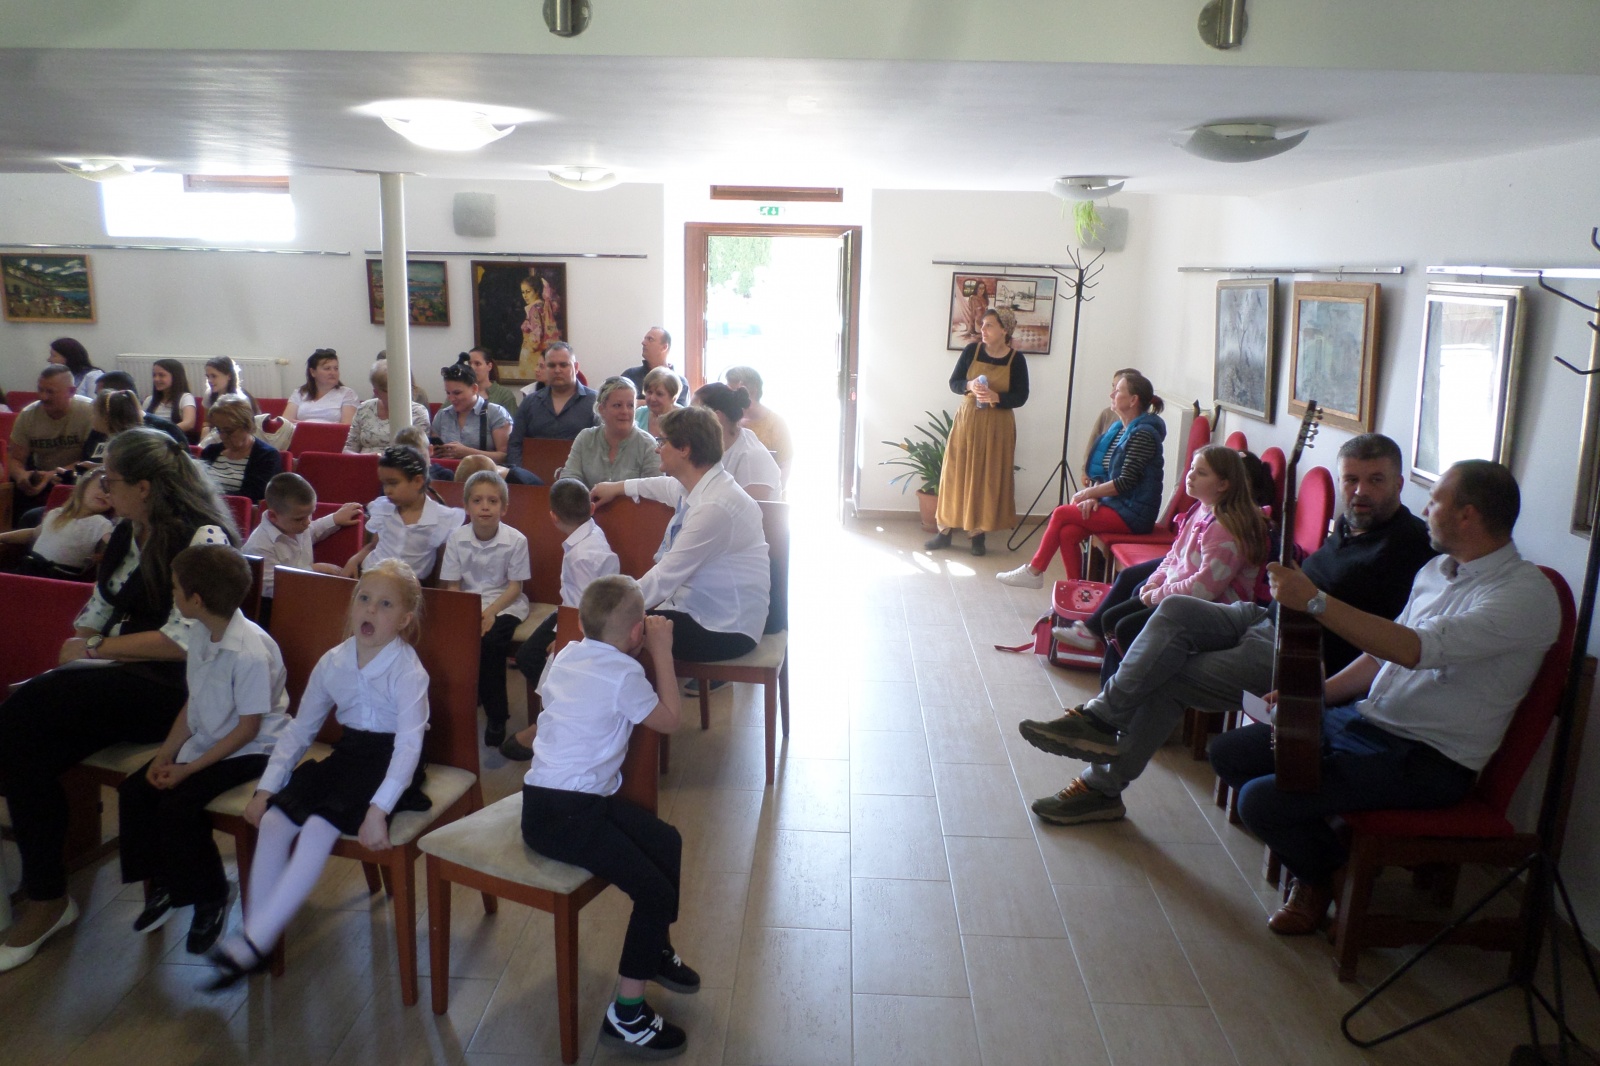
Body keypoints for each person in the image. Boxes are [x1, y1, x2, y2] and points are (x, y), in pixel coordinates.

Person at [1016, 433, 1438, 827]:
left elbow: (1392, 640)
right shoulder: (1349, 526)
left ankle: (1100, 787)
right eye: (1351, 479)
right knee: (1176, 608)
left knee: (1166, 675)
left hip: (1302, 655)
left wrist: (1311, 601)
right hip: (1266, 618)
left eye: (1375, 480)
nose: (1360, 491)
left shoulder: (1410, 547)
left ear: (1399, 483)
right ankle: (1100, 718)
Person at [1211, 460, 1558, 935]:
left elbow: (1414, 650)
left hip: (1426, 758)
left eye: (1434, 501)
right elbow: (1382, 655)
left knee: (1260, 802)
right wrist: (1314, 697)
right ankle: (1332, 855)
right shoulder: (1437, 569)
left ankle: (1322, 877)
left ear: (1467, 515)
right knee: (1230, 753)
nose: (1425, 510)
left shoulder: (1524, 594)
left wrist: (1314, 601)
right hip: (1366, 722)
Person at [0, 428, 238, 972]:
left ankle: (46, 897)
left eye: (111, 480)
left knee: (24, 716)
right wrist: (85, 642)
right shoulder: (129, 532)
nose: (103, 489)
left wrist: (95, 648)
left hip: (184, 690)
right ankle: (46, 893)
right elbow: (98, 609)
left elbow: (185, 642)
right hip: (128, 676)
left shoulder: (203, 537)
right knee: (24, 743)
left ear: (145, 487)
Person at [203, 559, 430, 989]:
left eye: (385, 604)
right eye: (364, 598)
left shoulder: (407, 670)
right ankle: (257, 934)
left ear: (404, 619)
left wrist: (379, 810)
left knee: (317, 829)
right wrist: (266, 788)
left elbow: (409, 745)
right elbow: (300, 729)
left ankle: (253, 942)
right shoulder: (334, 661)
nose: (370, 609)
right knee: (274, 820)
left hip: (390, 762)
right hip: (349, 755)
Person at [520, 574, 697, 1059]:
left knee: (667, 841)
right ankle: (627, 1016)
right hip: (566, 817)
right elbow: (671, 720)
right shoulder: (624, 674)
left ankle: (652, 949)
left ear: (582, 624)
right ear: (638, 632)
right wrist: (662, 652)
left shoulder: (565, 654)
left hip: (554, 803)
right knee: (653, 892)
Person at [117, 545, 290, 955]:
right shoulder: (199, 630)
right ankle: (165, 881)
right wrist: (166, 753)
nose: (172, 595)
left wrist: (188, 769)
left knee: (179, 805)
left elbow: (248, 729)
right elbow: (194, 702)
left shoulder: (249, 652)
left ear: (196, 600)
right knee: (135, 791)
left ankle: (211, 895)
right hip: (212, 737)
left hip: (253, 749)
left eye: (175, 590)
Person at [590, 406, 770, 662]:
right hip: (697, 609)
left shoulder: (714, 506)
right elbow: (662, 486)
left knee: (609, 634)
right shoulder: (701, 484)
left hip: (724, 627)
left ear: (684, 449)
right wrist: (617, 487)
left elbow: (663, 578)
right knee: (593, 629)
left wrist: (604, 611)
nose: (657, 449)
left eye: (662, 441)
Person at [1074, 446, 1269, 680]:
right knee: (1110, 619)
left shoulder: (1224, 528)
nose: (1190, 475)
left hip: (1214, 610)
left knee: (1125, 628)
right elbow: (1174, 555)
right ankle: (1115, 688)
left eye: (1201, 473)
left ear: (1223, 485)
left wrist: (1158, 595)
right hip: (1181, 596)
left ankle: (1129, 688)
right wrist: (1155, 581)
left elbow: (1204, 590)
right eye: (1192, 468)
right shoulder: (1200, 508)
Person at [996, 369, 1161, 585]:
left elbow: (1126, 482)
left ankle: (1034, 571)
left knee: (1061, 513)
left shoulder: (1143, 434)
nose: (1111, 394)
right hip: (1119, 505)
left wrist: (1089, 493)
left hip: (1134, 513)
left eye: (1118, 390)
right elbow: (1106, 474)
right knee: (1068, 533)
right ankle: (1079, 590)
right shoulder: (1121, 429)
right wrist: (1094, 496)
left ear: (1133, 400)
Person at [503, 477, 622, 760]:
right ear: (591, 509)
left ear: (553, 516)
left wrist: (564, 639)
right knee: (530, 655)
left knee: (533, 658)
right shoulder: (591, 533)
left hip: (583, 620)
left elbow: (584, 607)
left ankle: (556, 721)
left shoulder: (581, 556)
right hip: (574, 611)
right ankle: (553, 717)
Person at [926, 307, 1030, 557]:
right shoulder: (971, 351)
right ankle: (944, 531)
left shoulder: (1016, 360)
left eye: (989, 325)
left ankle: (978, 534)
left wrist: (997, 397)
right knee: (955, 473)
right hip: (968, 422)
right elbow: (954, 383)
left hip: (997, 426)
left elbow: (1021, 396)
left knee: (987, 476)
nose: (982, 329)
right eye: (982, 324)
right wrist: (970, 384)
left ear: (1004, 330)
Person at [440, 469, 531, 749]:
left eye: (493, 501)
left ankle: (497, 716)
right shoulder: (456, 538)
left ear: (504, 508)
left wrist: (490, 612)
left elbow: (515, 587)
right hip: (468, 603)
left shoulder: (516, 540)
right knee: (457, 640)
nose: (485, 507)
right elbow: (453, 585)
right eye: (477, 501)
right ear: (466, 506)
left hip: (505, 604)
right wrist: (464, 616)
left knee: (491, 643)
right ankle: (459, 707)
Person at [242, 472, 363, 622]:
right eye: (299, 519)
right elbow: (270, 588)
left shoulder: (294, 525)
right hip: (275, 609)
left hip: (304, 595)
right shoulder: (259, 546)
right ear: (273, 516)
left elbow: (313, 530)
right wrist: (313, 570)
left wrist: (334, 519)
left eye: (310, 514)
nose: (307, 522)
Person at [344, 445, 464, 581]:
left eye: (393, 483)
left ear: (418, 481)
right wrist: (354, 560)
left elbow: (443, 565)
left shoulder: (441, 518)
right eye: (384, 484)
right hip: (371, 575)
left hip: (408, 585)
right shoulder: (383, 508)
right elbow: (373, 546)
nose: (387, 490)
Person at [8, 364, 95, 517]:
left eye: (50, 392)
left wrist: (53, 474)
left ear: (71, 392)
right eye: (40, 390)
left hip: (78, 479)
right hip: (41, 478)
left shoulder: (90, 412)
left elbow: (93, 461)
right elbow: (15, 459)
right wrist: (22, 476)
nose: (43, 397)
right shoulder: (28, 415)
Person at [0, 470, 113, 578]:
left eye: (113, 493)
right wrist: (2, 537)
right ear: (83, 485)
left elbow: (114, 546)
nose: (107, 495)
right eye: (103, 487)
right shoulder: (57, 513)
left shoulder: (101, 523)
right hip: (30, 568)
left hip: (61, 575)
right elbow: (34, 533)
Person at [564, 377, 662, 488]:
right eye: (617, 405)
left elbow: (655, 489)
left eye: (630, 405)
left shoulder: (648, 445)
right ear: (602, 409)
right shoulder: (585, 438)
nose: (625, 411)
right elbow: (569, 478)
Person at [693, 382, 781, 501]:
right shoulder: (709, 448)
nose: (687, 420)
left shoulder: (752, 457)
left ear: (716, 417)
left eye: (693, 414)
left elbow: (755, 510)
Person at [431, 362, 512, 471]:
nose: (451, 398)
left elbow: (505, 457)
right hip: (446, 474)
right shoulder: (442, 415)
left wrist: (467, 452)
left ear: (474, 389)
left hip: (484, 475)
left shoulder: (496, 413)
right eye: (448, 393)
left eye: (457, 393)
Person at [199, 396, 282, 502]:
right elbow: (196, 486)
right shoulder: (210, 452)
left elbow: (254, 496)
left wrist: (210, 496)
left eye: (229, 431)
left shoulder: (267, 456)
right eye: (219, 430)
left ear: (247, 426)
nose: (222, 436)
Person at [724, 365, 793, 488]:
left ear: (753, 392)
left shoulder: (776, 424)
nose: (729, 398)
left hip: (767, 493)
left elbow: (785, 466)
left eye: (734, 392)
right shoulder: (726, 421)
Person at [344, 360, 431, 454]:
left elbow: (418, 454)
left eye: (399, 388)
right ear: (376, 392)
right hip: (364, 462)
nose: (396, 394)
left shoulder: (418, 412)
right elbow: (348, 450)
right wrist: (367, 458)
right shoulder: (364, 409)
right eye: (388, 391)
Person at [282, 349, 358, 426]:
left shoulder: (347, 394)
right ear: (313, 372)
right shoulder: (299, 393)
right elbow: (285, 424)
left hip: (332, 434)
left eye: (336, 368)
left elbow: (347, 427)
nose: (333, 373)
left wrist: (307, 425)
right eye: (327, 368)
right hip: (301, 433)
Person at [621, 327, 682, 404]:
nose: (643, 342)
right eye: (645, 339)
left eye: (650, 339)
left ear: (664, 347)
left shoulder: (680, 382)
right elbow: (618, 403)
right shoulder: (630, 376)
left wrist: (637, 403)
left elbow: (679, 410)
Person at [144, 358, 198, 435]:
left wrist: (163, 433)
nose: (156, 379)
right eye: (154, 375)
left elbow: (189, 423)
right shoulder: (149, 400)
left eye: (161, 375)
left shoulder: (185, 398)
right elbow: (140, 422)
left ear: (175, 377)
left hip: (173, 438)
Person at [465, 347, 521, 412]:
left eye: (477, 364)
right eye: (469, 363)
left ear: (489, 366)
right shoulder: (462, 392)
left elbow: (511, 417)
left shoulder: (504, 395)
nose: (472, 368)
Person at [635, 367, 681, 439]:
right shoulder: (639, 415)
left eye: (659, 394)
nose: (652, 398)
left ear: (673, 398)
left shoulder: (684, 419)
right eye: (649, 392)